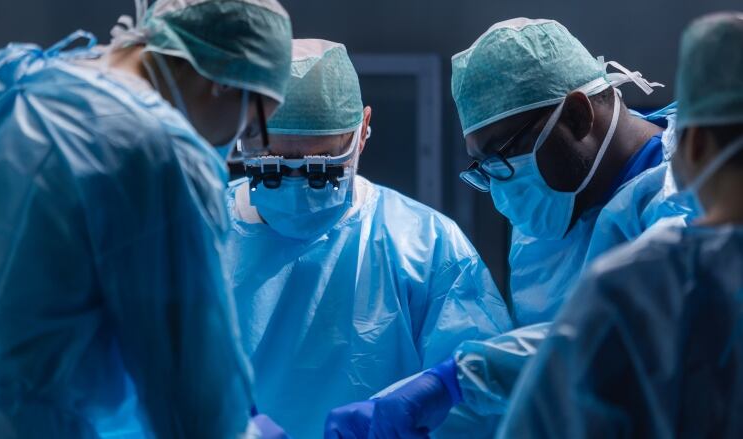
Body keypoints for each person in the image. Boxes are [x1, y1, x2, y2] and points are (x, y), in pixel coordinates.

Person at [324, 18, 694, 437]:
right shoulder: (552, 208)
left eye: (503, 156)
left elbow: (633, 338)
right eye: (483, 167)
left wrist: (453, 382)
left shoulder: (689, 194)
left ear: (576, 115)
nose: (501, 190)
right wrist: (415, 410)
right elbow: (535, 376)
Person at [0, 0, 292, 437]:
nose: (233, 144)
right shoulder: (152, 151)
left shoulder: (0, 84)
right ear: (225, 82)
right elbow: (195, 403)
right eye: (253, 124)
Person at [226, 38, 513, 439]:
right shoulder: (198, 234)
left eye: (320, 171)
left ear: (362, 131)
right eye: (271, 169)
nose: (295, 188)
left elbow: (483, 399)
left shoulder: (426, 245)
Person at [497, 11, 743, 438]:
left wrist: (461, 376)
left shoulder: (649, 284)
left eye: (507, 154)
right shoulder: (545, 233)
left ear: (696, 140)